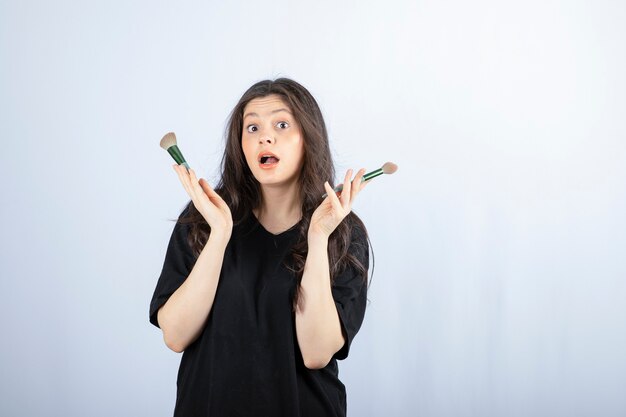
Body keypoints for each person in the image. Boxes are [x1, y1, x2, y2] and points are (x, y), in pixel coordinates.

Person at [149, 78, 371, 417]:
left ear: (308, 139)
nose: (264, 136)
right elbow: (175, 336)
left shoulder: (342, 232)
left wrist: (317, 238)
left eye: (281, 124)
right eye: (252, 127)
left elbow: (316, 352)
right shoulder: (204, 219)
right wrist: (220, 234)